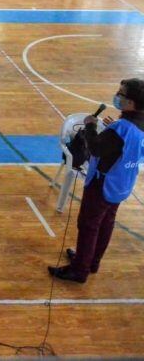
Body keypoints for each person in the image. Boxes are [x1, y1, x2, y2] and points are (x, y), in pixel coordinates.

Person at [49, 78, 144, 283]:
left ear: (130, 102)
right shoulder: (136, 125)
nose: (117, 96)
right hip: (123, 183)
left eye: (121, 93)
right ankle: (92, 261)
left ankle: (79, 270)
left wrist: (91, 127)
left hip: (103, 184)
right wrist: (114, 131)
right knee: (106, 222)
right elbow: (128, 146)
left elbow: (96, 149)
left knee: (89, 224)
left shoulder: (122, 129)